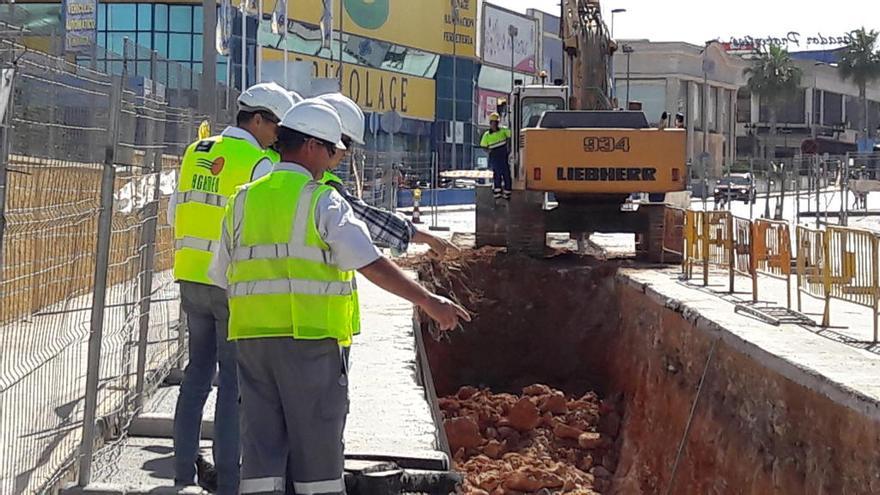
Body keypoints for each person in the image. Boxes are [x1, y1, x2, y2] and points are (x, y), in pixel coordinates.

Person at [208, 98, 470, 495]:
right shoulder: (321, 200)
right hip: (310, 343)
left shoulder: (243, 199)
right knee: (318, 452)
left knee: (260, 452)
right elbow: (369, 261)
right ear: (312, 146)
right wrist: (429, 301)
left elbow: (220, 273)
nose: (335, 161)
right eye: (332, 151)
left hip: (252, 343)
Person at [168, 82, 296, 494]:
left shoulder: (195, 151)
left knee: (196, 377)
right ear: (257, 119)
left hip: (190, 276)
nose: (279, 135)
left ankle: (183, 475)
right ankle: (227, 481)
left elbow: (175, 212)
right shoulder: (256, 162)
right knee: (232, 384)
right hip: (229, 283)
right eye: (276, 125)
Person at [314, 92, 458, 257]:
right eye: (345, 143)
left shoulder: (287, 171)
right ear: (321, 139)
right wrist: (425, 238)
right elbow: (362, 217)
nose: (347, 152)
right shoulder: (321, 185)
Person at [480, 112, 513, 200]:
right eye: (492, 122)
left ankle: (507, 193)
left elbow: (511, 136)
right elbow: (483, 146)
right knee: (497, 174)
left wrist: (509, 148)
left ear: (498, 123)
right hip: (494, 157)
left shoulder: (503, 131)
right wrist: (488, 151)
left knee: (506, 174)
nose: (494, 124)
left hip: (503, 156)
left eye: (496, 122)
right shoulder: (487, 135)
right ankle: (497, 194)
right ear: (490, 123)